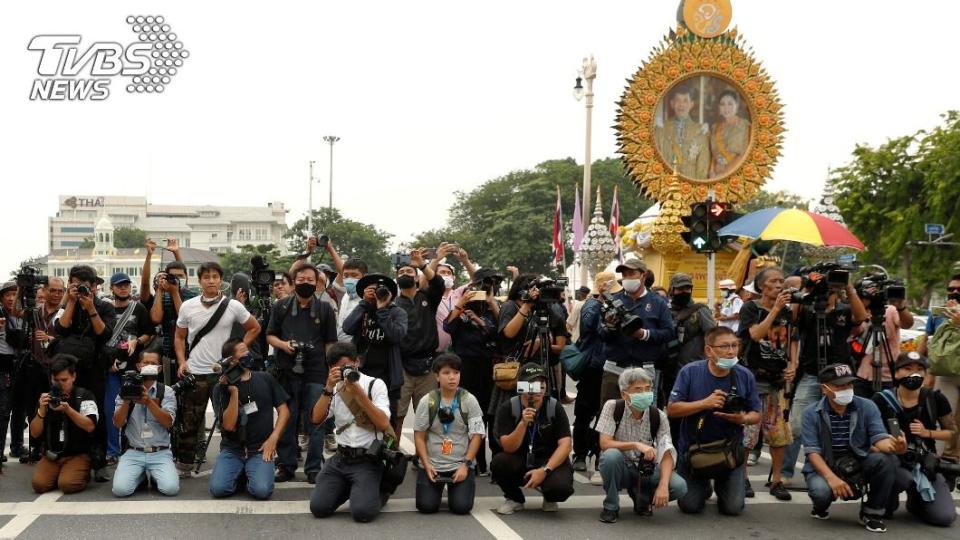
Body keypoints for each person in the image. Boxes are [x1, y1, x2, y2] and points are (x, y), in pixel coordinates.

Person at [174, 262, 260, 477]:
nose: (211, 280)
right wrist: (182, 361)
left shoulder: (233, 305)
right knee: (189, 420)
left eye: (215, 276)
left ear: (221, 280)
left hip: (223, 373)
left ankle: (233, 460)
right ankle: (184, 465)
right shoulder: (188, 306)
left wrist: (237, 353)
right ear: (200, 280)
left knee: (230, 419)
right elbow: (179, 336)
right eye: (206, 277)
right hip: (195, 372)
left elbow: (254, 328)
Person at [781, 273, 867, 485]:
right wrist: (808, 289)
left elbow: (861, 317)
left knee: (844, 422)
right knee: (796, 425)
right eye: (824, 289)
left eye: (831, 289)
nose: (827, 293)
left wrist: (848, 287)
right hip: (811, 374)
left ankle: (844, 469)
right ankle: (784, 473)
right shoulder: (808, 309)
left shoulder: (844, 310)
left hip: (840, 376)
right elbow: (791, 319)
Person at [668, 327, 760, 515]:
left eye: (735, 345)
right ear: (709, 350)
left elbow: (756, 414)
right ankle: (703, 486)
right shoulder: (690, 372)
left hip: (729, 449)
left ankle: (724, 486)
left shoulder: (744, 375)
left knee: (733, 509)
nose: (731, 351)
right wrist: (704, 403)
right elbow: (672, 409)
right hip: (695, 449)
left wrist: (742, 418)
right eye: (725, 346)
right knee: (690, 507)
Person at [801, 363, 901, 533]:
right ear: (824, 389)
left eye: (849, 384)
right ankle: (820, 506)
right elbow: (812, 452)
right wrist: (832, 478)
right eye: (839, 385)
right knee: (821, 492)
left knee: (887, 460)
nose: (845, 389)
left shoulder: (867, 406)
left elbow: (879, 438)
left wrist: (894, 446)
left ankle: (872, 513)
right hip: (826, 464)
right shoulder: (811, 413)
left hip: (858, 459)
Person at [266, 262, 339, 483]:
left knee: (315, 420)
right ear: (294, 281)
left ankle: (314, 467)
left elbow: (330, 342)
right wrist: (284, 345)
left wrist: (331, 371)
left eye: (310, 280)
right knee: (287, 418)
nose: (305, 283)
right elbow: (270, 335)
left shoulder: (325, 308)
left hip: (316, 371)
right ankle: (286, 465)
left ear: (316, 282)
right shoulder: (281, 306)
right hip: (287, 370)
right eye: (301, 279)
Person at [310, 342, 393, 523]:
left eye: (347, 366)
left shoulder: (374, 384)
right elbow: (316, 419)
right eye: (337, 368)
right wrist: (328, 388)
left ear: (357, 362)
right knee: (319, 508)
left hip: (367, 459)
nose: (343, 372)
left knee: (362, 513)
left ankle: (380, 490)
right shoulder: (335, 388)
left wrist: (360, 394)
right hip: (341, 457)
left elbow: (383, 423)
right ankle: (354, 488)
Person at [872, 352, 956, 526]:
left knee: (944, 517)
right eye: (907, 368)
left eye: (920, 369)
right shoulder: (881, 400)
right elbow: (868, 438)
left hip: (924, 463)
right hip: (894, 462)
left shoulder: (935, 398)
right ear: (896, 374)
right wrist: (889, 446)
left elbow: (952, 433)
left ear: (926, 374)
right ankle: (886, 495)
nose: (914, 374)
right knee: (886, 508)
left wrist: (928, 433)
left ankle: (916, 502)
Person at [596, 367, 687, 523]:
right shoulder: (612, 407)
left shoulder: (659, 416)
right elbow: (605, 443)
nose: (644, 394)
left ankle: (643, 498)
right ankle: (611, 506)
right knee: (611, 456)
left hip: (645, 470)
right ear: (624, 394)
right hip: (621, 467)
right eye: (638, 390)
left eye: (647, 389)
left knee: (679, 486)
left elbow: (667, 452)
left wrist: (663, 485)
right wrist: (636, 445)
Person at [737, 266, 795, 500]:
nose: (780, 284)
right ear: (762, 286)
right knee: (748, 434)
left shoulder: (788, 312)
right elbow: (755, 335)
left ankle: (777, 480)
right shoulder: (750, 307)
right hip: (752, 379)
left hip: (776, 381)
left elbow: (793, 339)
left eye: (782, 280)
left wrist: (793, 364)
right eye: (774, 281)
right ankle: (743, 478)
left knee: (778, 434)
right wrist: (775, 309)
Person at [54, 265, 116, 482]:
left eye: (85, 286)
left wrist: (90, 308)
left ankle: (99, 462)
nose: (80, 289)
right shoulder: (66, 304)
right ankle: (69, 454)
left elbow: (104, 334)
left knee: (96, 413)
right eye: (76, 284)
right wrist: (70, 301)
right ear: (70, 283)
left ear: (94, 286)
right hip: (70, 369)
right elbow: (60, 329)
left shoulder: (104, 307)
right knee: (65, 408)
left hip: (95, 368)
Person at [209, 340, 290, 500]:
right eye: (243, 351)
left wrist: (273, 439)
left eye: (247, 350)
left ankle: (250, 472)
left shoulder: (265, 378)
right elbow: (229, 426)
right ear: (231, 360)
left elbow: (284, 411)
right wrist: (234, 393)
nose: (248, 354)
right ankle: (242, 473)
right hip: (232, 450)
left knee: (261, 490)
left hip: (259, 450)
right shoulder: (220, 389)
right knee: (219, 489)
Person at [491, 362, 574, 515]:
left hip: (548, 459)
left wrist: (545, 470)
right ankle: (514, 498)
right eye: (530, 384)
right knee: (499, 462)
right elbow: (508, 447)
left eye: (541, 384)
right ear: (521, 386)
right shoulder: (509, 407)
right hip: (520, 458)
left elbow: (566, 444)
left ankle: (550, 496)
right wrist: (522, 424)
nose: (536, 389)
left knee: (561, 488)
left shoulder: (554, 406)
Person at [444, 268, 503, 475]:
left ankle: (496, 463)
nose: (484, 290)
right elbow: (448, 328)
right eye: (480, 286)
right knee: (470, 415)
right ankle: (475, 461)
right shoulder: (462, 308)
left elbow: (502, 333)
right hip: (466, 367)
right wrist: (461, 304)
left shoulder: (493, 308)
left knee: (492, 415)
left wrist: (489, 305)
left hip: (490, 367)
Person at [413, 353, 485, 514]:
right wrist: (426, 464)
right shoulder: (428, 401)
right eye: (446, 373)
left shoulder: (469, 400)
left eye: (456, 373)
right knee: (426, 507)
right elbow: (419, 435)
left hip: (460, 464)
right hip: (432, 465)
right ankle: (433, 489)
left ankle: (459, 488)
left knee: (461, 508)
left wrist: (466, 465)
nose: (452, 377)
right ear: (437, 376)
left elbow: (477, 435)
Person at [597, 259, 675, 404]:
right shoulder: (613, 300)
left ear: (643, 275)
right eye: (624, 274)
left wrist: (644, 334)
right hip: (614, 369)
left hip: (644, 370)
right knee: (611, 418)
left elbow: (669, 333)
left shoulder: (658, 303)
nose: (627, 278)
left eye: (631, 273)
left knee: (643, 418)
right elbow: (601, 334)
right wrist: (610, 326)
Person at [395, 247, 448, 439]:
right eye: (401, 272)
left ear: (417, 278)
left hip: (427, 366)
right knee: (398, 415)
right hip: (401, 367)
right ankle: (393, 455)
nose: (405, 273)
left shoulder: (428, 298)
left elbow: (438, 283)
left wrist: (423, 265)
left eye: (410, 271)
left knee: (426, 415)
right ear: (397, 279)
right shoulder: (393, 304)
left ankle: (423, 455)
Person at [571, 272, 620, 479]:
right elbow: (595, 330)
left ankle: (600, 454)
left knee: (606, 414)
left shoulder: (611, 305)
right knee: (585, 411)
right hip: (593, 366)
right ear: (602, 288)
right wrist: (608, 316)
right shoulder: (592, 306)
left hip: (608, 365)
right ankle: (580, 454)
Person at [111, 351, 179, 497]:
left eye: (153, 364)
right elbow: (117, 423)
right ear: (138, 366)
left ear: (159, 368)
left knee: (171, 489)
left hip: (160, 452)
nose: (149, 366)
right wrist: (127, 399)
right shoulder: (125, 389)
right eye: (145, 363)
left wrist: (149, 402)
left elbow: (168, 422)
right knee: (120, 490)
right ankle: (140, 477)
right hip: (133, 451)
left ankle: (155, 477)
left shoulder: (166, 392)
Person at [104, 272, 155, 465]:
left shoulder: (138, 308)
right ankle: (112, 450)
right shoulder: (105, 308)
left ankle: (132, 445)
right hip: (110, 366)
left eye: (126, 285)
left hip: (132, 367)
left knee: (134, 407)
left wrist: (136, 340)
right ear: (112, 288)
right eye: (119, 285)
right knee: (111, 408)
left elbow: (148, 333)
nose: (123, 288)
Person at [343, 273, 407, 424]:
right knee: (359, 414)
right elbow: (347, 327)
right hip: (362, 372)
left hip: (388, 374)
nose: (379, 292)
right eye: (374, 289)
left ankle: (389, 447)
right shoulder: (363, 309)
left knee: (388, 418)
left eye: (382, 290)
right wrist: (364, 303)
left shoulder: (398, 312)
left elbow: (396, 336)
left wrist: (382, 310)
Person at [30, 354, 98, 494]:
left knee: (68, 485)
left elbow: (90, 426)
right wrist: (41, 411)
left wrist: (68, 410)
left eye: (64, 380)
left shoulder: (84, 395)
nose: (60, 384)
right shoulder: (46, 398)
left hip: (77, 453)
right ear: (51, 378)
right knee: (39, 485)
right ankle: (61, 473)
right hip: (52, 455)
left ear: (73, 377)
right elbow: (34, 433)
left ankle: (78, 473)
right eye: (56, 380)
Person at [142, 239, 196, 386]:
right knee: (168, 392)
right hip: (167, 352)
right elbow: (155, 318)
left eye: (180, 276)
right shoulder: (164, 296)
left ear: (186, 278)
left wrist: (177, 253)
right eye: (172, 276)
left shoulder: (192, 296)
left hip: (190, 353)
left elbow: (185, 317)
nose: (176, 279)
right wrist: (160, 290)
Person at [920, 273, 960, 467]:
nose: (954, 293)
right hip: (945, 373)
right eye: (951, 289)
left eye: (959, 290)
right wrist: (926, 370)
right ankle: (938, 461)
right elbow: (931, 341)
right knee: (944, 416)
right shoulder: (938, 313)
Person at [664, 273, 716, 417]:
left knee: (693, 410)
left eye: (688, 288)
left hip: (693, 368)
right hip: (668, 369)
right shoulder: (664, 310)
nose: (684, 292)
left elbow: (713, 336)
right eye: (680, 289)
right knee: (671, 410)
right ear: (672, 290)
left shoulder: (700, 310)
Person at [853, 275, 914, 397]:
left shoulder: (890, 310)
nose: (873, 295)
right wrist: (863, 307)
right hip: (862, 376)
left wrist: (900, 306)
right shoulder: (858, 314)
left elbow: (907, 324)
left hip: (888, 377)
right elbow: (853, 332)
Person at [654, 84, 710, 179]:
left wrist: (697, 186)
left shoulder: (700, 130)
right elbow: (656, 157)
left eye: (685, 100)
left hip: (691, 179)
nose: (681, 105)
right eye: (678, 100)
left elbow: (703, 163)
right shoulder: (662, 128)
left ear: (691, 104)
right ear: (672, 103)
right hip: (667, 179)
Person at [435, 249, 478, 354]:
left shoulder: (459, 293)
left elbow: (477, 280)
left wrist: (465, 261)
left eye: (448, 273)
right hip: (437, 352)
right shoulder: (431, 295)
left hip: (459, 350)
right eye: (442, 272)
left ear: (453, 278)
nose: (446, 275)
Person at [709, 90, 751, 177]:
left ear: (737, 106)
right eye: (722, 104)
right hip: (716, 175)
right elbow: (713, 155)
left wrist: (725, 173)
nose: (726, 108)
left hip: (736, 173)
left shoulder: (745, 126)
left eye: (730, 104)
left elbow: (744, 155)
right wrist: (711, 171)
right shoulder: (715, 127)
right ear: (719, 107)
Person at [336, 258, 368, 343]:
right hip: (341, 347)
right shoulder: (345, 295)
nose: (349, 279)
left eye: (354, 275)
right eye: (346, 275)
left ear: (364, 277)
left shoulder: (368, 299)